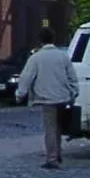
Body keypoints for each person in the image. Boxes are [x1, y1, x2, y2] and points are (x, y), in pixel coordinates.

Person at [14, 27, 79, 169]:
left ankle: (52, 159)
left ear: (40, 40)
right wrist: (74, 92)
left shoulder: (36, 58)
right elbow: (72, 77)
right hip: (63, 97)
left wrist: (20, 94)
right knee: (58, 127)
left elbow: (26, 77)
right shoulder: (63, 56)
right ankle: (58, 153)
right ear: (53, 39)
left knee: (50, 129)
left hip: (46, 98)